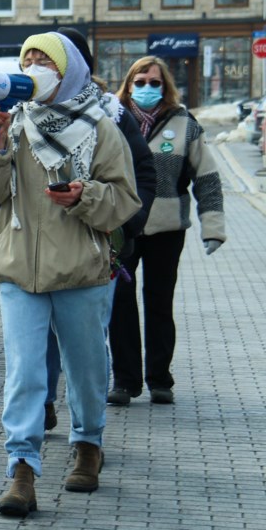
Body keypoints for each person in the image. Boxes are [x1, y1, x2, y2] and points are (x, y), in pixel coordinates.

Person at [0, 32, 141, 517]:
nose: (35, 66)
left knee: (86, 369)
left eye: (46, 59)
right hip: (20, 270)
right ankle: (22, 466)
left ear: (70, 72)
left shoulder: (100, 128)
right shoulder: (15, 123)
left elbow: (124, 200)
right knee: (24, 372)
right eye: (29, 59)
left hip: (81, 270)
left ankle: (88, 443)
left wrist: (84, 196)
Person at [41, 27, 157, 431]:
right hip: (39, 251)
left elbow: (141, 172)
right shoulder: (26, 113)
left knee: (87, 342)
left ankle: (86, 426)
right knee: (42, 341)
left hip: (97, 247)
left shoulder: (111, 113)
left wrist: (125, 227)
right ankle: (43, 405)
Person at [107, 56, 226, 406]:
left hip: (166, 228)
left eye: (154, 82)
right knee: (120, 305)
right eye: (140, 81)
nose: (147, 88)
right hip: (123, 227)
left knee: (159, 303)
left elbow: (207, 178)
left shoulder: (184, 124)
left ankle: (160, 379)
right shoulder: (111, 120)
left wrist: (213, 227)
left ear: (166, 86)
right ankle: (125, 381)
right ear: (128, 84)